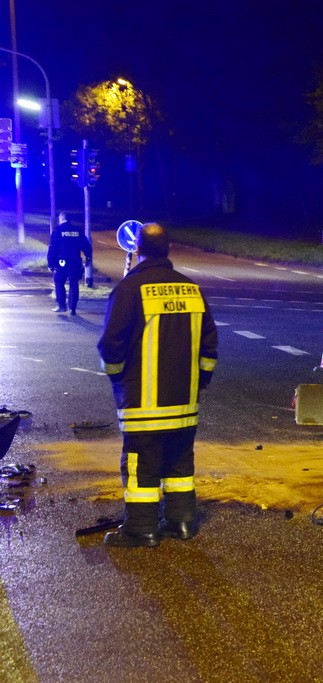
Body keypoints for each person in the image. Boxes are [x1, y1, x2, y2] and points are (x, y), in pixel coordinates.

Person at [97, 223, 219, 547]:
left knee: (141, 468)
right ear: (168, 249)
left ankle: (141, 529)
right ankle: (180, 524)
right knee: (179, 464)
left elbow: (111, 345)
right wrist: (199, 382)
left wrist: (118, 378)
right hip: (184, 403)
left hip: (144, 404)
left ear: (138, 249)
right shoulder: (191, 289)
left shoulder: (130, 289)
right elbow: (209, 346)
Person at [46, 211, 92, 316]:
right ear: (70, 220)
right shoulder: (78, 231)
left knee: (59, 283)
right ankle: (72, 308)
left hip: (61, 263)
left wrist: (50, 264)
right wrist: (88, 258)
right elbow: (86, 246)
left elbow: (52, 249)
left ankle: (61, 306)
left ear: (61, 219)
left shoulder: (57, 231)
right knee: (74, 284)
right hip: (75, 262)